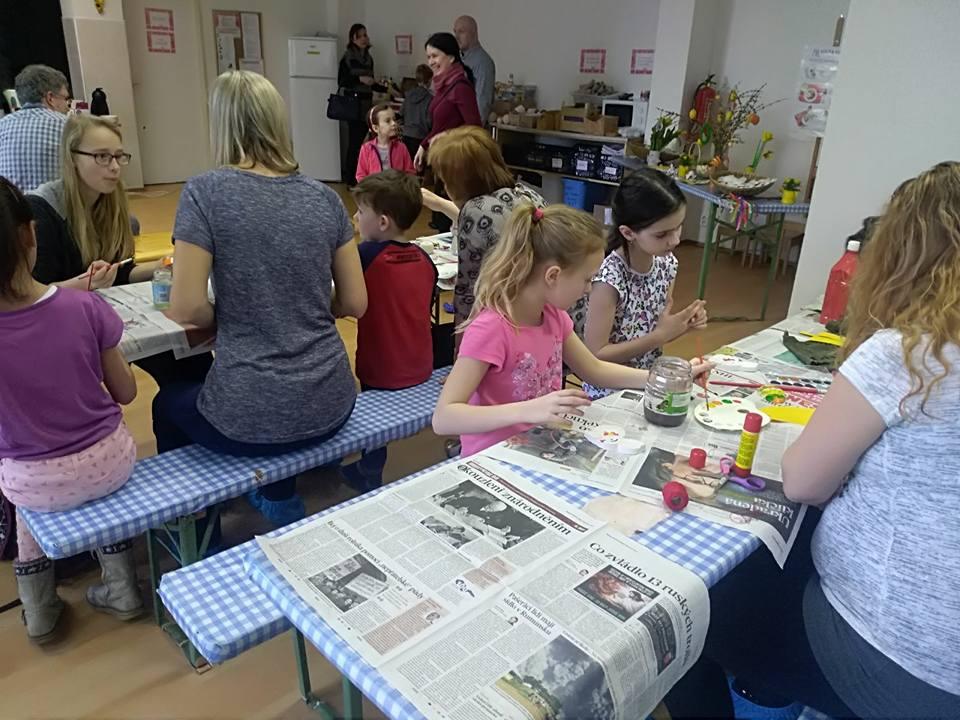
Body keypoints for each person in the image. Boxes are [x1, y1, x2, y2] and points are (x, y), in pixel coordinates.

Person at [706, 161, 960, 718]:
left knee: (706, 603)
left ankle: (761, 690)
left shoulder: (909, 353)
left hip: (902, 664)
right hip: (935, 661)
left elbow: (803, 481)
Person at [153, 70, 367, 527]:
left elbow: (186, 307)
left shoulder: (205, 192)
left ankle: (199, 527)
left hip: (251, 414)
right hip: (333, 399)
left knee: (168, 401)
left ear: (220, 123)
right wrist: (307, 306)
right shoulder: (324, 197)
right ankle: (278, 491)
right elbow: (355, 302)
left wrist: (232, 315)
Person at [432, 204, 711, 456]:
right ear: (553, 275)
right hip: (494, 458)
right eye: (587, 280)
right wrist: (529, 410)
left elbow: (595, 370)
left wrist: (663, 380)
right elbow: (444, 418)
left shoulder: (553, 316)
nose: (589, 290)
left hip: (541, 446)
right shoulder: (492, 328)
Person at [0, 176, 145, 644]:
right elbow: (125, 392)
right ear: (31, 234)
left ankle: (39, 609)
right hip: (110, 463)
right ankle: (123, 588)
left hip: (33, 484)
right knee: (100, 489)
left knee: (24, 506)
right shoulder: (84, 307)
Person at [573, 169, 708, 399]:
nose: (675, 240)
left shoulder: (667, 264)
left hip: (648, 383)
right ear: (628, 233)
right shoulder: (608, 279)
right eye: (662, 234)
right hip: (608, 392)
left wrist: (682, 325)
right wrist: (660, 336)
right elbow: (596, 355)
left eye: (678, 227)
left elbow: (654, 332)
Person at [342, 170, 436, 490]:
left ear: (382, 222)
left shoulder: (364, 256)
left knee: (374, 423)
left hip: (380, 369)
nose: (355, 218)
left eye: (360, 211)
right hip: (421, 365)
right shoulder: (424, 258)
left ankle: (370, 470)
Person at [422, 125, 545, 330]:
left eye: (445, 181)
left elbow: (468, 292)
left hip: (509, 319)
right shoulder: (526, 194)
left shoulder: (474, 211)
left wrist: (461, 342)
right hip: (542, 313)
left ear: (458, 182)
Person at [27, 114, 154, 290]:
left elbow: (119, 273)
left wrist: (159, 267)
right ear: (72, 158)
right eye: (102, 156)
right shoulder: (40, 211)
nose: (115, 167)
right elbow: (33, 294)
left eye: (118, 156)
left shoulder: (111, 203)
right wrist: (87, 283)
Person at [413, 32, 482, 172]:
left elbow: (475, 129)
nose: (430, 62)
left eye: (435, 56)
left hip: (457, 163)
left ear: (451, 57)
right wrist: (423, 145)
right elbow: (440, 127)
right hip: (442, 160)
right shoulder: (443, 86)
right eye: (428, 57)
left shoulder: (461, 87)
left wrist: (447, 136)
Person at [0, 64, 70, 191]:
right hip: (56, 203)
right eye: (65, 98)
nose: (67, 106)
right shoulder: (68, 125)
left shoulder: (2, 125)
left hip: (12, 203)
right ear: (50, 98)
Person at [338, 24, 386, 186]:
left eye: (365, 35)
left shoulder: (369, 58)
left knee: (363, 142)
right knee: (354, 143)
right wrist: (360, 79)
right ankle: (351, 179)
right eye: (361, 36)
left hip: (366, 104)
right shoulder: (347, 57)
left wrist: (386, 88)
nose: (365, 38)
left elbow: (370, 82)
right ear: (353, 39)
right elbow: (342, 81)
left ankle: (360, 176)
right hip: (353, 105)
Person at [355, 104, 415, 182]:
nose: (393, 123)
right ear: (375, 128)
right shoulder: (366, 149)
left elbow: (410, 173)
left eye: (394, 119)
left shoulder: (402, 147)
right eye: (388, 121)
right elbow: (360, 175)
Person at [453, 16, 496, 125]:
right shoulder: (460, 59)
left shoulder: (483, 62)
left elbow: (482, 102)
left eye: (461, 32)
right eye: (455, 32)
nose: (456, 36)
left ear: (474, 33)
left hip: (468, 128)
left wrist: (471, 131)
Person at [401, 64, 433, 162]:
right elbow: (430, 121)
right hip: (421, 137)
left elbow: (401, 113)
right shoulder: (430, 99)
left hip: (406, 135)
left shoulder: (408, 95)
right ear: (429, 80)